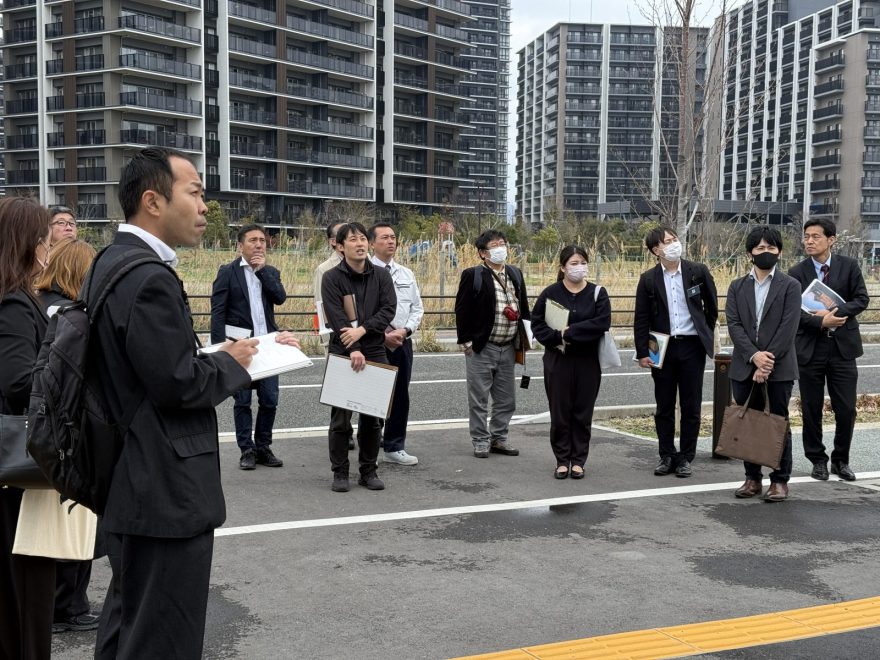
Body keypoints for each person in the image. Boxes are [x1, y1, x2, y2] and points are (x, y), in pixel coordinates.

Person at [88, 147, 268, 659]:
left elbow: (151, 368)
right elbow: (177, 382)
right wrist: (234, 361)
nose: (205, 206)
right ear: (152, 201)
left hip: (131, 480)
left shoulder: (112, 260)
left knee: (129, 622)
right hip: (163, 489)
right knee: (163, 635)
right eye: (195, 192)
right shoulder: (147, 277)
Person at [33, 237, 103, 634]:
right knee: (73, 520)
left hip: (44, 431)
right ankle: (70, 606)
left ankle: (61, 605)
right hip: (66, 431)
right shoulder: (67, 312)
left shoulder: (37, 302)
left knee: (52, 523)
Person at [0, 197, 55, 660]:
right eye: (43, 237)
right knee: (24, 595)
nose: (49, 245)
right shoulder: (15, 303)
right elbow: (20, 382)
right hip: (16, 472)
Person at [789, 217, 869, 482]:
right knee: (811, 407)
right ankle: (818, 460)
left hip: (842, 348)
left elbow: (861, 299)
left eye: (815, 237)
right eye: (806, 237)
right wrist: (820, 320)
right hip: (810, 348)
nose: (809, 241)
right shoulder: (796, 272)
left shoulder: (849, 266)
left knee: (846, 408)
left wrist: (834, 311)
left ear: (831, 239)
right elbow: (792, 313)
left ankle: (841, 460)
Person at [633, 227, 718, 478]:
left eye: (674, 239)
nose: (673, 244)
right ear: (655, 250)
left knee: (691, 404)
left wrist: (705, 334)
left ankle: (686, 457)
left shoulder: (697, 271)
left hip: (692, 346)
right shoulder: (648, 279)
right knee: (664, 404)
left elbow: (712, 308)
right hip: (662, 347)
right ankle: (667, 454)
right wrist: (642, 352)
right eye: (666, 242)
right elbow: (641, 319)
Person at [726, 226, 801, 502]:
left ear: (779, 252)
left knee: (777, 421)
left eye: (771, 248)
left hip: (778, 368)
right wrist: (753, 357)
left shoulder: (790, 286)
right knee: (749, 421)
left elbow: (788, 327)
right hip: (744, 365)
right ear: (750, 254)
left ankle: (779, 480)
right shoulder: (737, 286)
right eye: (760, 248)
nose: (765, 252)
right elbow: (734, 325)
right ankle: (752, 478)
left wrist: (766, 361)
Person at [321, 222, 396, 492]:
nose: (360, 244)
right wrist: (352, 347)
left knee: (372, 417)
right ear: (340, 247)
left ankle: (368, 470)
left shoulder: (381, 277)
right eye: (353, 240)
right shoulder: (331, 278)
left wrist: (362, 331)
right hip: (343, 349)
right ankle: (340, 472)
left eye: (363, 238)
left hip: (375, 348)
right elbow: (334, 315)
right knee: (341, 417)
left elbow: (388, 310)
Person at [211, 224, 287, 471]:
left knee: (270, 399)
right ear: (240, 245)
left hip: (267, 345)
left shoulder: (270, 271)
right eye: (252, 240)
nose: (258, 244)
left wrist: (262, 272)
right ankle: (247, 449)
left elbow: (280, 298)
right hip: (239, 345)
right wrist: (220, 348)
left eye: (262, 241)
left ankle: (263, 446)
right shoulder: (228, 272)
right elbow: (218, 311)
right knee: (242, 400)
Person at [530, 246, 610, 479]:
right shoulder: (550, 293)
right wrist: (558, 337)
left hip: (588, 360)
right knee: (560, 412)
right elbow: (538, 325)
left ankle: (579, 460)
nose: (579, 267)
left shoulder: (598, 293)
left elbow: (601, 323)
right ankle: (562, 459)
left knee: (583, 412)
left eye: (583, 262)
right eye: (574, 263)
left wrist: (571, 331)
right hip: (558, 359)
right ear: (563, 267)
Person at [454, 229, 530, 458]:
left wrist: (526, 338)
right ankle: (480, 439)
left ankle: (500, 438)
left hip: (508, 346)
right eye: (494, 245)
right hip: (482, 346)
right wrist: (466, 342)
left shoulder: (515, 274)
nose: (500, 248)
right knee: (478, 398)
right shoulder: (473, 275)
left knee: (506, 398)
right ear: (482, 253)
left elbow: (524, 308)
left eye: (502, 244)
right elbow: (462, 310)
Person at [369, 223, 424, 466]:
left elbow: (417, 307)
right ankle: (369, 447)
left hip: (402, 341)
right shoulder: (364, 272)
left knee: (400, 394)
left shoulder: (405, 273)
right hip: (373, 342)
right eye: (384, 237)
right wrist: (382, 335)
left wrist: (406, 329)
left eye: (393, 237)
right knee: (372, 396)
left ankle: (394, 446)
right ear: (372, 243)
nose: (390, 241)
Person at [313, 220, 355, 450]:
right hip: (337, 337)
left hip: (362, 336)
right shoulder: (325, 269)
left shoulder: (363, 265)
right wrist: (327, 339)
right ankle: (343, 431)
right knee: (340, 389)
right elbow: (322, 306)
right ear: (334, 242)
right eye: (345, 235)